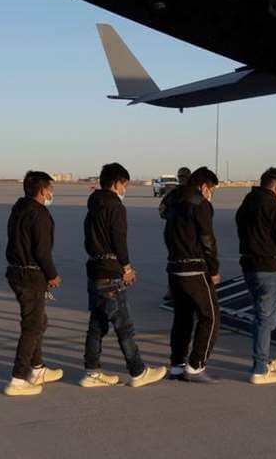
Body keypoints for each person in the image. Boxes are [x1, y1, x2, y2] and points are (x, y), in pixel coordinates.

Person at [80, 163, 166, 388]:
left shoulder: (93, 205)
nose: (124, 189)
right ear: (116, 183)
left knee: (97, 324)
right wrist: (126, 267)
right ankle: (138, 371)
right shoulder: (115, 207)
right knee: (123, 325)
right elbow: (119, 240)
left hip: (95, 268)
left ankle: (92, 371)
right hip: (110, 272)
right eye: (124, 184)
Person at [4, 171, 63, 396]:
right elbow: (42, 251)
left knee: (39, 321)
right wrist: (52, 275)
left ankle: (37, 368)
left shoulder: (18, 209)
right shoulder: (39, 214)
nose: (51, 193)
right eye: (50, 189)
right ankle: (18, 379)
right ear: (41, 190)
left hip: (16, 273)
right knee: (32, 327)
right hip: (31, 276)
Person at [164, 166, 221, 383]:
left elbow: (162, 214)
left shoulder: (173, 199)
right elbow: (207, 239)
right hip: (194, 268)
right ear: (203, 186)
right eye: (211, 189)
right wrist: (213, 269)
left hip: (174, 267)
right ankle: (196, 365)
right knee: (211, 316)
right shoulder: (200, 204)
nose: (211, 194)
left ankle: (177, 365)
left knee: (182, 318)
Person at [235, 167, 276, 384]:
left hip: (249, 266)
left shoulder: (245, 206)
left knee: (262, 314)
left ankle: (263, 359)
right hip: (269, 268)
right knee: (266, 319)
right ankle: (259, 369)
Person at [159, 166, 192, 302]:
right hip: (180, 233)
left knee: (177, 262)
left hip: (175, 232)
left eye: (183, 177)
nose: (182, 179)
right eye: (181, 177)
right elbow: (161, 211)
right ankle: (175, 290)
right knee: (180, 262)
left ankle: (176, 290)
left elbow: (162, 211)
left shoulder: (174, 194)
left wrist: (170, 216)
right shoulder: (190, 194)